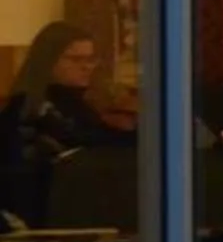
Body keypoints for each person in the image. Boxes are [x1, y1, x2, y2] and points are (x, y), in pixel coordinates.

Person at [10, 22, 134, 154]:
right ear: (49, 61)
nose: (87, 67)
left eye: (90, 59)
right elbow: (83, 141)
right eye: (76, 59)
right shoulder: (30, 107)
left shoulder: (77, 102)